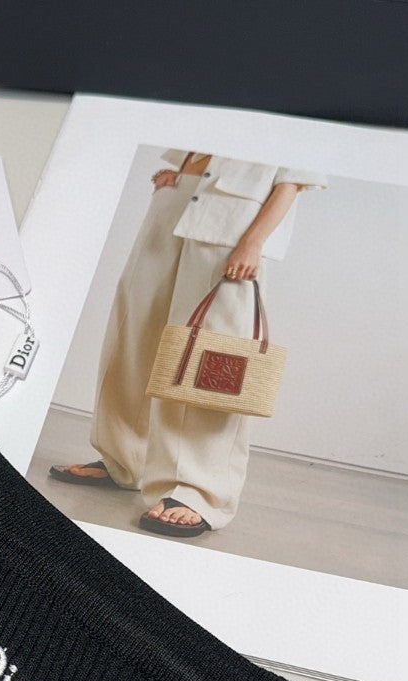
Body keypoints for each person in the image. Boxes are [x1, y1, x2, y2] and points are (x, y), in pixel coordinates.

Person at [50, 149, 327, 537]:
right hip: (173, 207)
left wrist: (253, 243)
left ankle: (197, 490)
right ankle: (123, 462)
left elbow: (292, 181)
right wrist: (177, 174)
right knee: (133, 338)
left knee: (208, 364)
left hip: (230, 228)